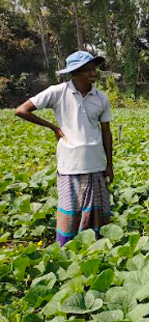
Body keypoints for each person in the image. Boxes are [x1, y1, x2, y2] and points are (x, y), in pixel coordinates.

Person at [14, 50, 113, 246]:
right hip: (70, 166)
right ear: (74, 72)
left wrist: (109, 164)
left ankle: (95, 248)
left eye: (94, 68)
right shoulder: (57, 92)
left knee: (97, 213)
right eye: (87, 69)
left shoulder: (101, 98)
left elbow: (106, 132)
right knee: (70, 213)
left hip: (96, 164)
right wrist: (53, 127)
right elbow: (21, 110)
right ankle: (67, 249)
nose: (93, 73)